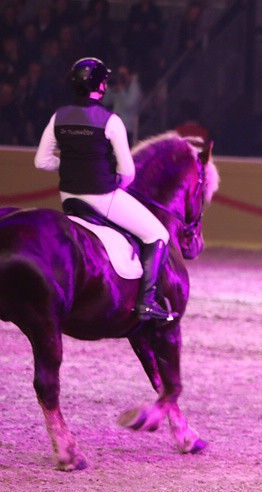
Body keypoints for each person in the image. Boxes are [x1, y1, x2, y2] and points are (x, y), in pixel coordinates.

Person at [34, 57, 175, 322]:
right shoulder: (110, 121)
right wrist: (113, 183)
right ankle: (146, 301)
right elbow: (128, 172)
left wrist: (69, 165)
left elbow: (41, 161)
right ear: (100, 85)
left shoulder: (58, 117)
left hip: (69, 198)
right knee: (157, 234)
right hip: (102, 195)